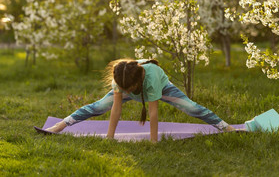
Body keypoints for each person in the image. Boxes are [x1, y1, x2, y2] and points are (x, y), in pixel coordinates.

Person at [45, 59, 235, 142]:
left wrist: (153, 142)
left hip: (162, 85)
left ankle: (226, 127)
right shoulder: (120, 78)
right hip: (129, 82)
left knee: (191, 108)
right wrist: (109, 138)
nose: (126, 92)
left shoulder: (151, 78)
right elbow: (115, 110)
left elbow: (153, 112)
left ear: (136, 84)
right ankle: (62, 125)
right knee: (99, 106)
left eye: (129, 90)